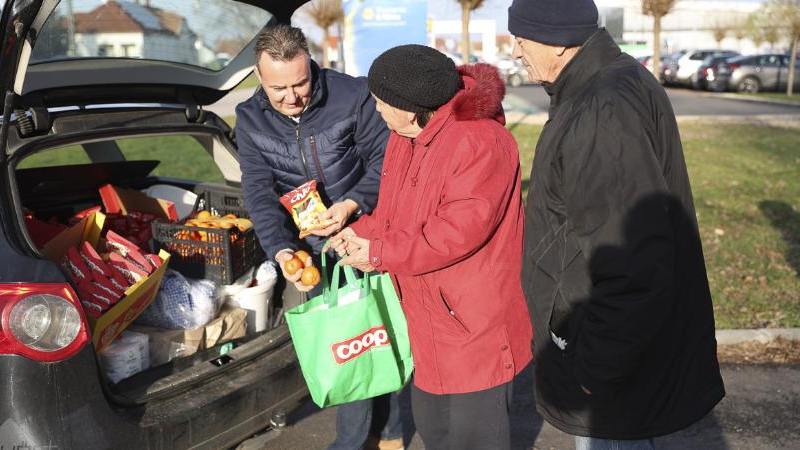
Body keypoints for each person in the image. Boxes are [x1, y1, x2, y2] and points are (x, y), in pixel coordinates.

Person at [507, 0, 726, 448]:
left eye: (522, 40)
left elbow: (634, 261)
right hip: (601, 346)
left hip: (600, 362)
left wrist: (594, 369)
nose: (515, 51)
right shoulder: (602, 84)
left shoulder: (601, 110)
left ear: (560, 43)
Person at [328, 45, 533, 450]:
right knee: (436, 433)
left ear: (409, 105)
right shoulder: (407, 135)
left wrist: (379, 254)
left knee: (476, 440)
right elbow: (395, 213)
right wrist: (361, 232)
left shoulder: (479, 142)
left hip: (473, 325)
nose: (376, 109)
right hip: (427, 319)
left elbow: (455, 232)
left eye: (381, 101)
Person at [235, 24, 403, 450]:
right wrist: (283, 250)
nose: (292, 96)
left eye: (301, 82)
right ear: (259, 77)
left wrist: (351, 206)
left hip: (369, 235)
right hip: (314, 253)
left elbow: (387, 161)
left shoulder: (353, 95)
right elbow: (258, 192)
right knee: (348, 342)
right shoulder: (250, 118)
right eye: (279, 89)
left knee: (384, 334)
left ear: (311, 63)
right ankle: (365, 437)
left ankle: (387, 434)